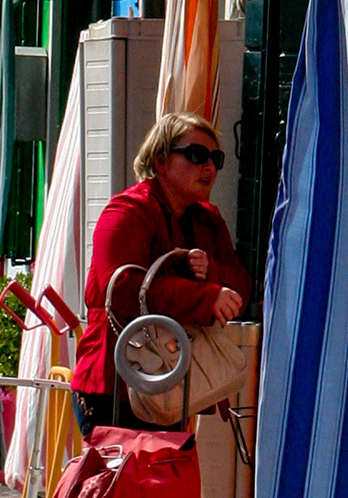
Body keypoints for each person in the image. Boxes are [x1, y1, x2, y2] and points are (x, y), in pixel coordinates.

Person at [72, 111, 253, 435]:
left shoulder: (207, 219)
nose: (209, 167)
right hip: (117, 386)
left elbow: (242, 288)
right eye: (196, 155)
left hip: (173, 385)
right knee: (126, 472)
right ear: (160, 160)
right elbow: (120, 289)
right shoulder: (127, 210)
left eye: (216, 159)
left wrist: (210, 272)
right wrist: (204, 296)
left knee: (170, 470)